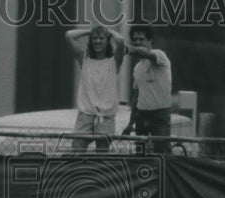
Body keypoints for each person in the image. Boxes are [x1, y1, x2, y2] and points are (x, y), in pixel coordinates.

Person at [66, 25, 125, 152]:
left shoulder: (114, 61)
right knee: (77, 149)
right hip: (86, 113)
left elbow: (120, 40)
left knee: (102, 152)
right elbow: (69, 35)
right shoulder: (84, 58)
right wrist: (89, 31)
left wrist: (107, 31)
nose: (97, 41)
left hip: (106, 114)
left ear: (107, 40)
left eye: (101, 38)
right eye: (95, 38)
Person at [123, 24, 172, 154]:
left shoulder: (159, 56)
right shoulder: (137, 68)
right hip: (141, 115)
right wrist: (130, 123)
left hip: (159, 115)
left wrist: (129, 49)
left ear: (150, 41)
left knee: (163, 153)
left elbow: (145, 53)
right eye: (135, 39)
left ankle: (166, 174)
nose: (138, 42)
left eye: (141, 39)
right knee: (140, 153)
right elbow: (136, 97)